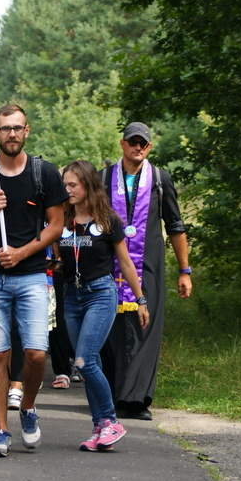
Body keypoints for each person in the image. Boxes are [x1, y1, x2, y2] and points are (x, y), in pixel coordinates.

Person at [0, 105, 68, 457]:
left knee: (36, 354)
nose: (11, 134)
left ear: (27, 131)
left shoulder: (44, 173)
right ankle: (0, 430)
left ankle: (27, 405)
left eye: (17, 128)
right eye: (5, 128)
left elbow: (56, 225)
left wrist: (22, 253)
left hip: (31, 276)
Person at [100, 122, 193, 421]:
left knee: (145, 330)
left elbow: (176, 226)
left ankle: (137, 399)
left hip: (149, 266)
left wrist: (184, 270)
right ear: (122, 144)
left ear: (149, 147)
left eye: (143, 143)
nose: (137, 147)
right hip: (110, 266)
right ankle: (114, 396)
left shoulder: (160, 180)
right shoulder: (104, 178)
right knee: (112, 331)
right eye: (133, 142)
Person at [55, 159, 148, 452]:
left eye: (73, 185)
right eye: (65, 185)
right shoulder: (62, 219)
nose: (67, 190)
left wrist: (140, 300)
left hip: (100, 294)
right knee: (84, 363)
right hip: (71, 296)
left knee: (85, 360)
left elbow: (126, 263)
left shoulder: (108, 220)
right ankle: (99, 427)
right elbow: (56, 258)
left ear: (88, 185)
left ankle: (110, 421)